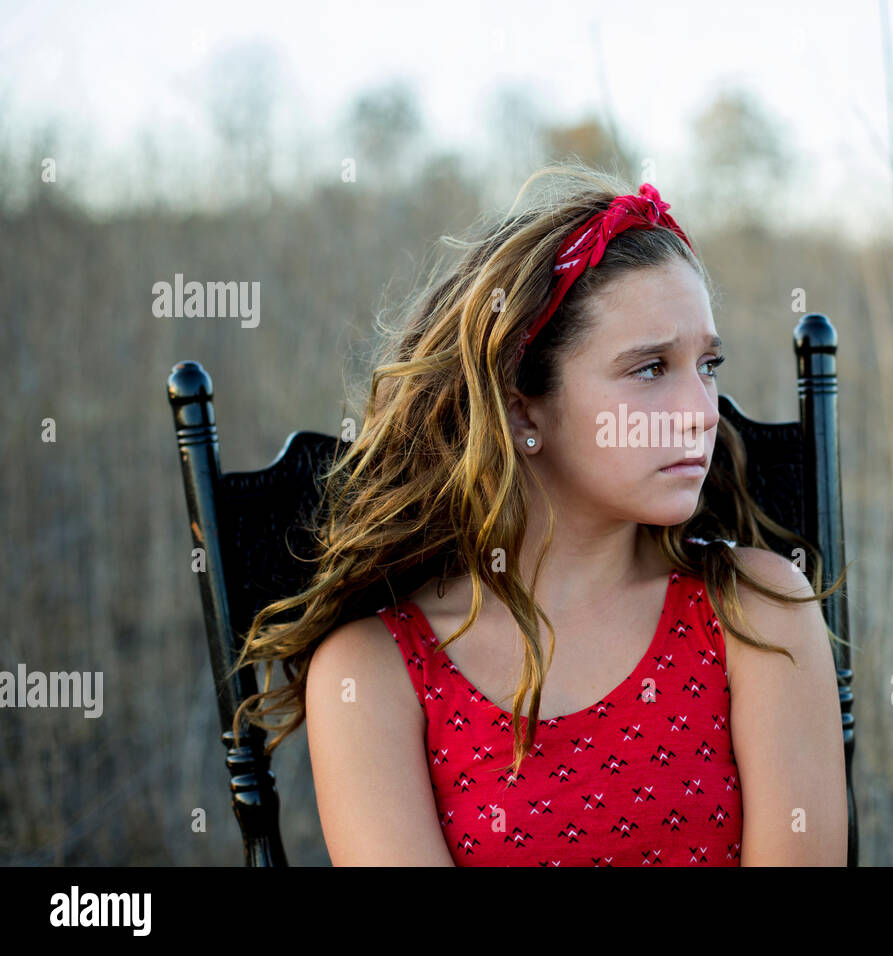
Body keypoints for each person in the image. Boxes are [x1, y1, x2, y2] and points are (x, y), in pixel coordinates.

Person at [228, 161, 850, 865]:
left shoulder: (756, 613)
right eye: (650, 369)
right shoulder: (374, 673)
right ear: (523, 407)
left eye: (708, 365)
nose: (700, 413)